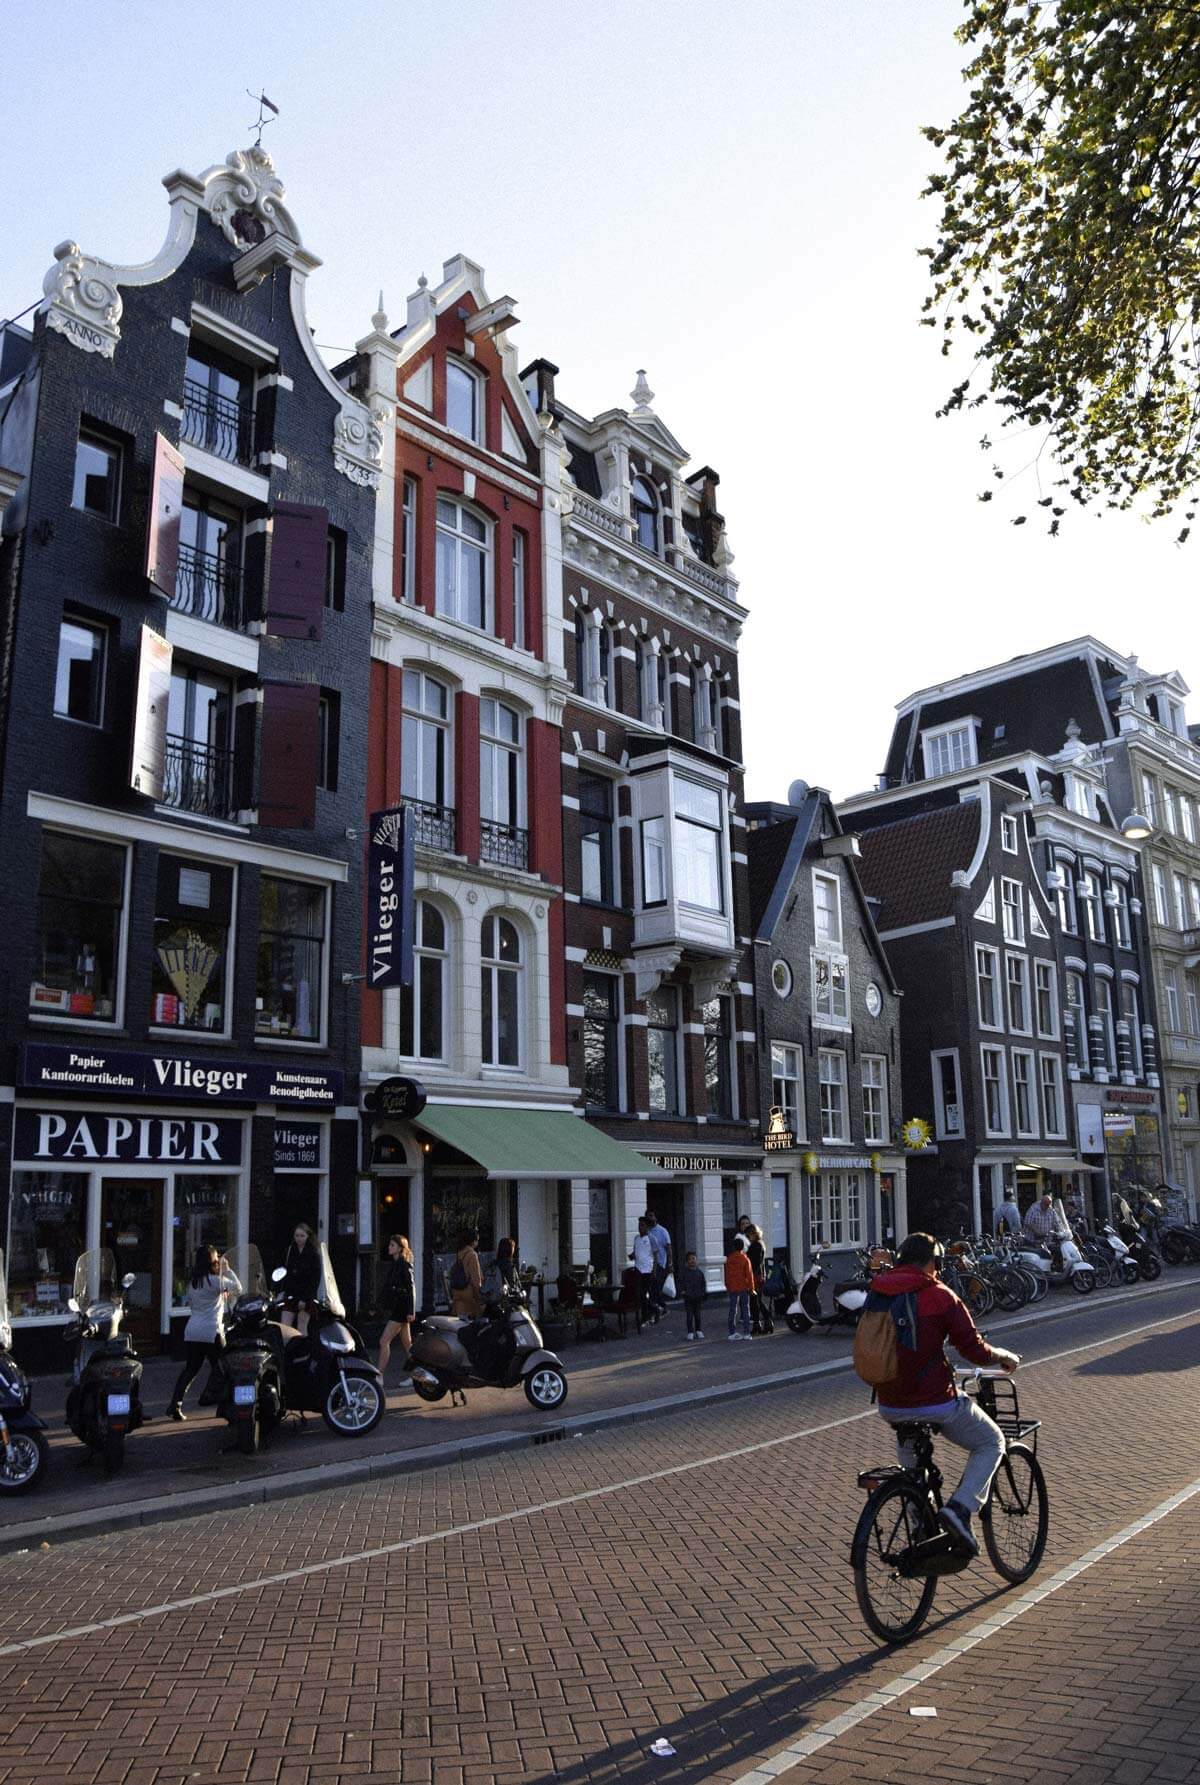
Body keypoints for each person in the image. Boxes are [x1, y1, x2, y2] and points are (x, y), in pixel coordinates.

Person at [872, 1232, 1019, 1556]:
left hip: (890, 1404)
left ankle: (920, 1529)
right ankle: (959, 1510)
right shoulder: (940, 1295)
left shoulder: (878, 1292)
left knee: (913, 1474)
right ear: (932, 1262)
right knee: (990, 1442)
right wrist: (1002, 1356)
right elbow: (974, 1349)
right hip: (935, 1402)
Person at [168, 1244, 241, 1421]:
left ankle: (175, 1404)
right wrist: (228, 1270)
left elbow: (192, 1305)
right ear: (211, 1262)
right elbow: (238, 1289)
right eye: (216, 1260)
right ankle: (219, 1403)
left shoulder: (193, 1283)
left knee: (191, 1370)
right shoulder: (216, 1281)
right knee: (225, 1368)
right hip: (212, 1331)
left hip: (192, 1331)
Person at [377, 1234, 415, 1380]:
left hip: (402, 1309)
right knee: (408, 1344)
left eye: (392, 1245)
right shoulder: (395, 1264)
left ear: (400, 1248)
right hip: (397, 1307)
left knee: (384, 1341)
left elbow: (411, 1288)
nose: (389, 1247)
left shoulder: (404, 1264)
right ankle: (417, 1375)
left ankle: (379, 1375)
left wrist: (411, 1311)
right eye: (390, 1245)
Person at [282, 1222, 321, 1335]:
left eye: (302, 1236)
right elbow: (286, 1272)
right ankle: (287, 1350)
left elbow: (315, 1278)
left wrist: (305, 1299)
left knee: (302, 1326)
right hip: (291, 1294)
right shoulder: (290, 1251)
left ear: (308, 1236)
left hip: (306, 1295)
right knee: (284, 1327)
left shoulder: (313, 1254)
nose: (299, 1238)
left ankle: (303, 1350)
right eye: (297, 1236)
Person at [745, 1223, 774, 1335]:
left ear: (753, 1234)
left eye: (748, 1236)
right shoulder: (759, 1244)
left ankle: (765, 1320)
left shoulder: (756, 1246)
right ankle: (759, 1323)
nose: (747, 1238)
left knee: (756, 1301)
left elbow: (754, 1263)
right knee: (755, 1301)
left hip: (756, 1276)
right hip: (759, 1275)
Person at [724, 1234, 754, 1341]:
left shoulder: (729, 1259)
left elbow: (727, 1274)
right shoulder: (745, 1259)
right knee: (745, 1309)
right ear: (743, 1247)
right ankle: (747, 1332)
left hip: (733, 1286)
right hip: (743, 1286)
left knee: (733, 1309)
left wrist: (727, 1285)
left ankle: (732, 1332)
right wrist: (751, 1288)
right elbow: (749, 1275)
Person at [644, 1209, 673, 1316]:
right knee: (652, 1288)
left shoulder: (662, 1231)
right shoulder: (646, 1231)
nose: (649, 1218)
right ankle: (661, 1307)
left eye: (651, 1216)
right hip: (648, 1264)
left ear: (656, 1218)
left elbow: (668, 1248)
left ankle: (655, 1309)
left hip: (660, 1263)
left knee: (656, 1287)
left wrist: (670, 1263)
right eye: (647, 1216)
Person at [449, 1230, 484, 1318]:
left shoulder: (459, 1254)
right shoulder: (472, 1255)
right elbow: (476, 1280)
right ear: (473, 1241)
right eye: (477, 1240)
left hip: (457, 1295)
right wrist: (480, 1297)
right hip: (469, 1297)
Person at [630, 1218, 656, 1324]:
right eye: (639, 1225)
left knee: (644, 1293)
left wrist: (654, 1270)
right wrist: (632, 1256)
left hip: (647, 1269)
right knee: (639, 1294)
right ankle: (651, 1311)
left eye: (642, 1225)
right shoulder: (636, 1238)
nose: (640, 1228)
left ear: (647, 1227)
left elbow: (655, 1254)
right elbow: (636, 1252)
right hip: (638, 1269)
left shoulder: (651, 1238)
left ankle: (647, 1315)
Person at [482, 1236, 520, 1306]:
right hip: (505, 1302)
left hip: (491, 1301)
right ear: (510, 1250)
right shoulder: (509, 1266)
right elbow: (512, 1284)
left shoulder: (493, 1264)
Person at [680, 1250, 707, 1341]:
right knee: (689, 1316)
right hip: (688, 1297)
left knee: (698, 1315)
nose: (692, 1261)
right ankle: (690, 1332)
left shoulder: (700, 1273)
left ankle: (698, 1330)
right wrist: (683, 1291)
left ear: (696, 1260)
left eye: (693, 1259)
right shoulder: (685, 1273)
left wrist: (703, 1292)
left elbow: (703, 1283)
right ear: (687, 1262)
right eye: (690, 1259)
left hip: (698, 1297)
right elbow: (682, 1283)